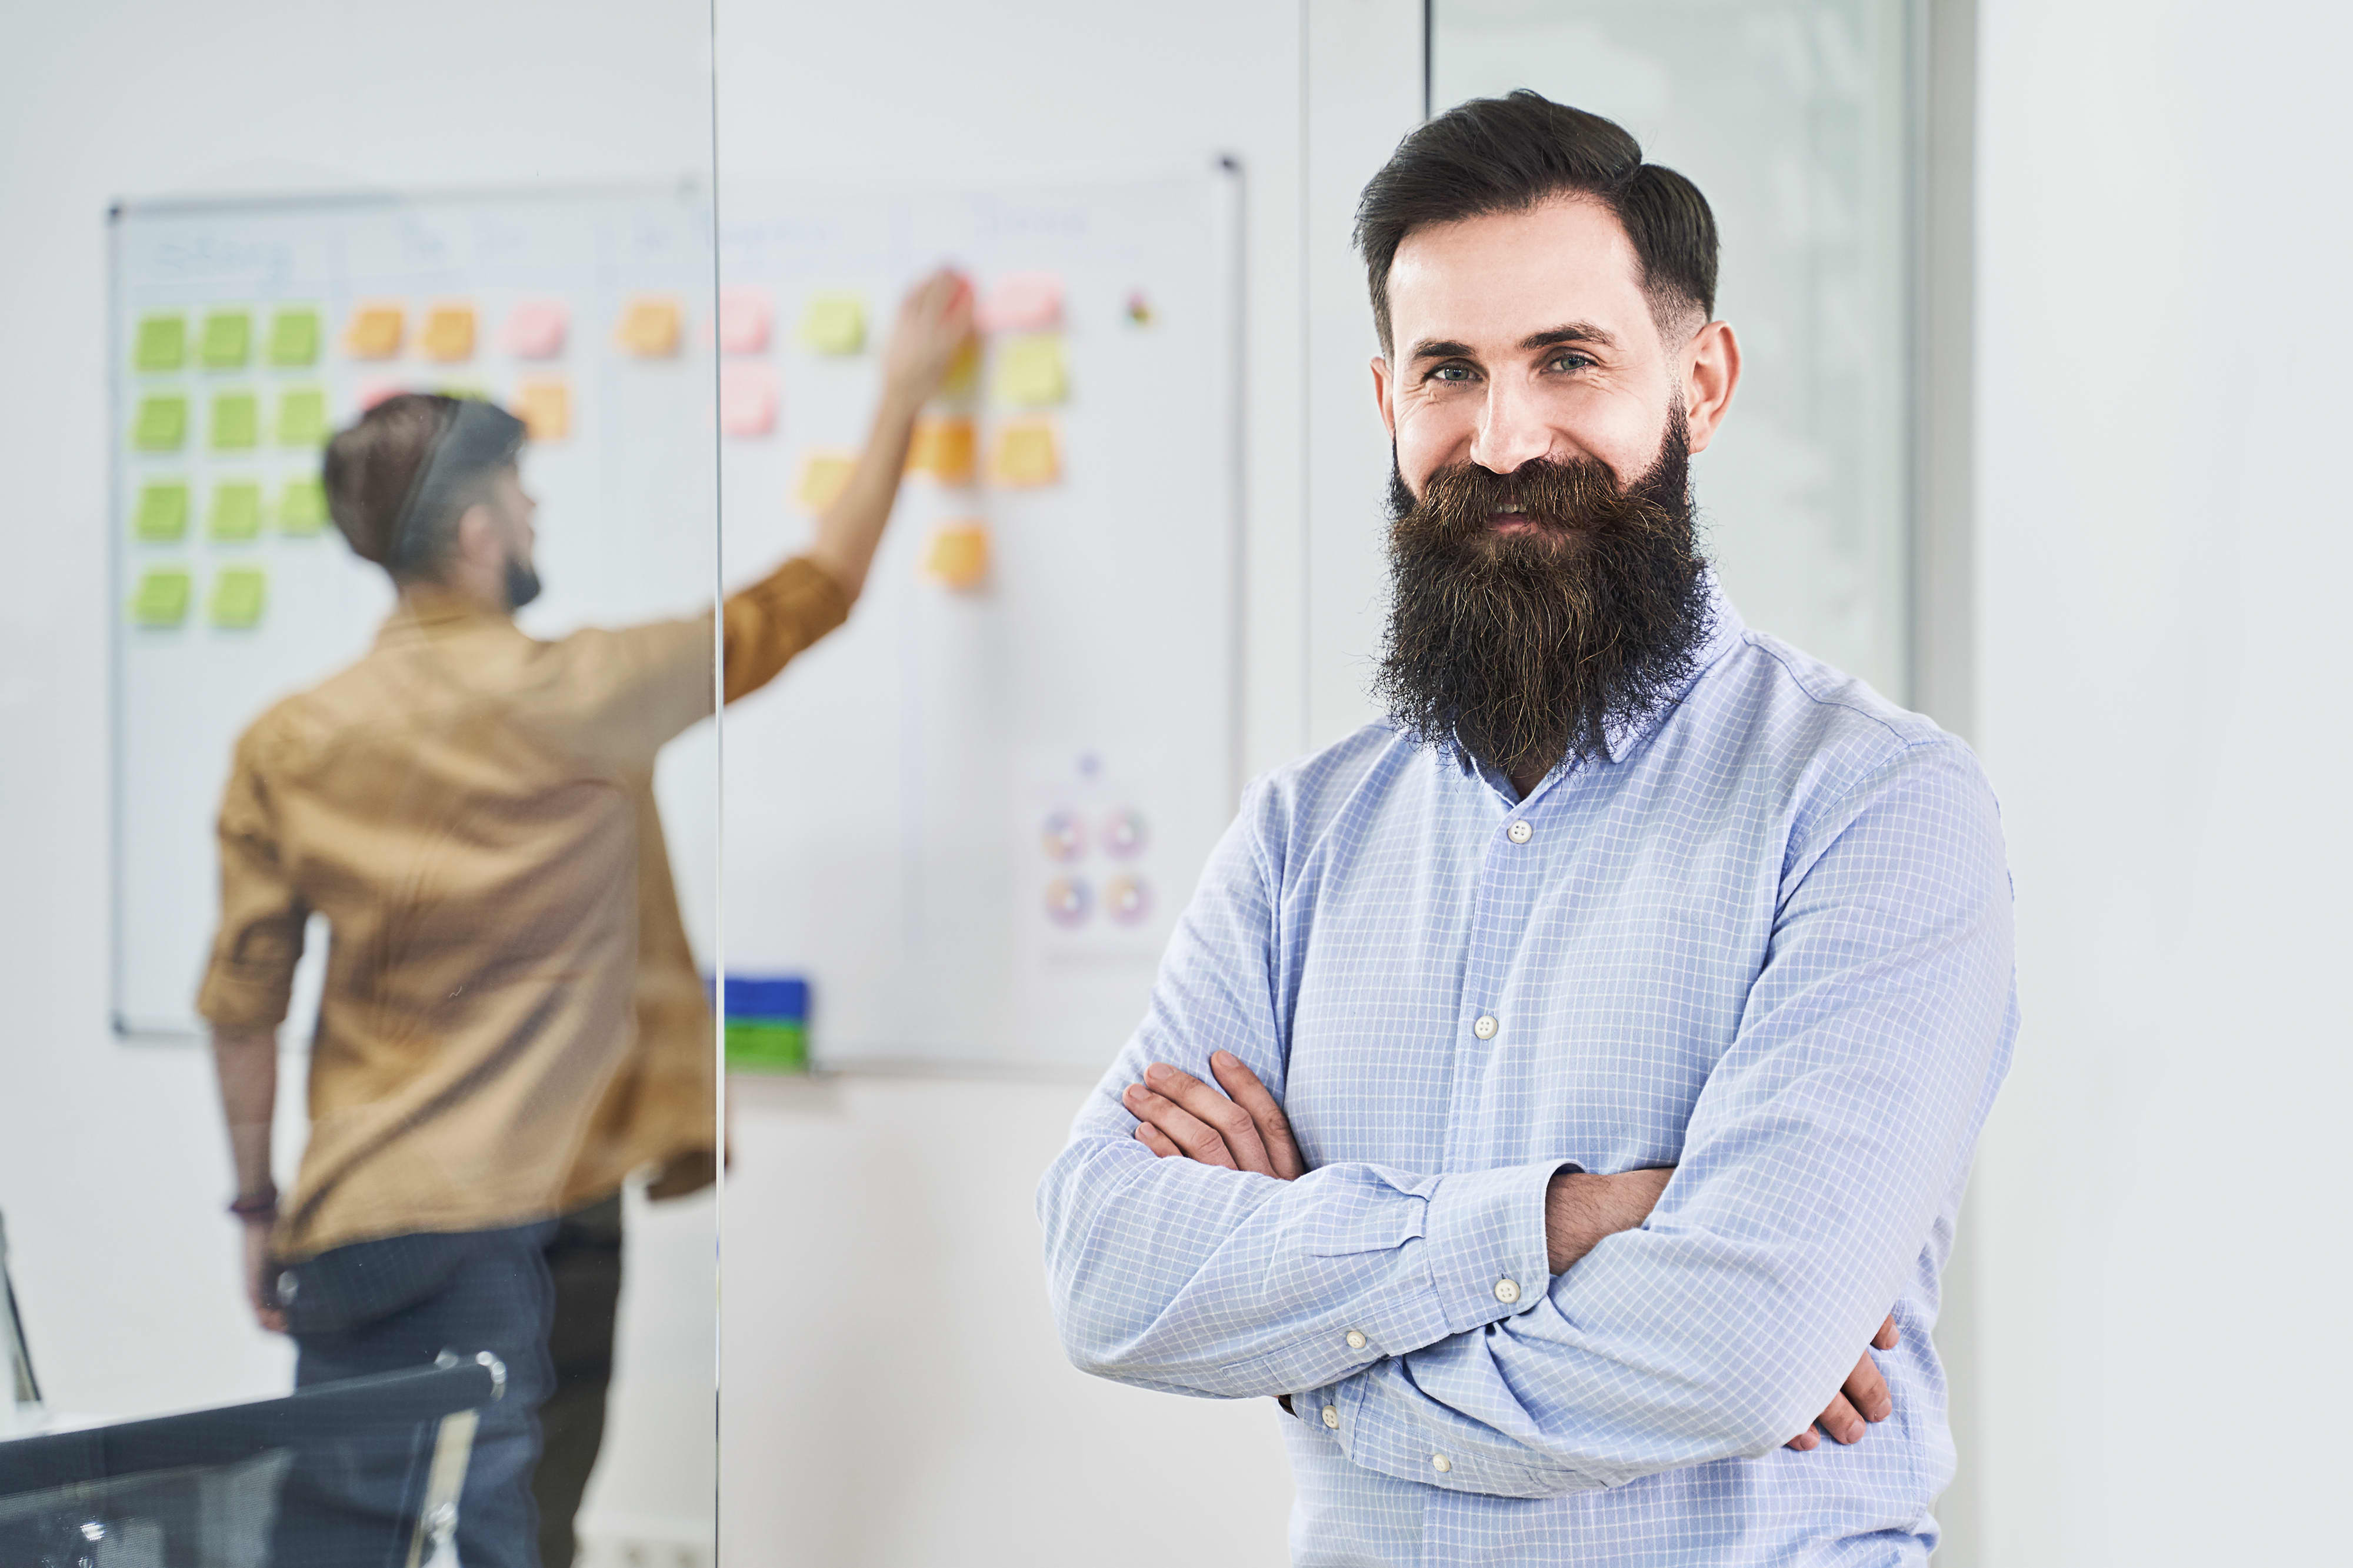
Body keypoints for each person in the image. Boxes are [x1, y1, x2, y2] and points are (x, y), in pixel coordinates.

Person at [1036, 92, 2014, 1566]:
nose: (1501, 440)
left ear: (1698, 384)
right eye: (1448, 371)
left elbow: (1739, 1350)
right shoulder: (1302, 837)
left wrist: (1314, 1355)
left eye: (1567, 360)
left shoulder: (1873, 806)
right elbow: (1105, 1267)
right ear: (1387, 403)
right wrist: (1560, 1225)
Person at [201, 270, 974, 1567]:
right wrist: (901, 390)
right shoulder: (590, 689)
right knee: (519, 1541)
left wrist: (253, 1206)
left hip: (360, 1219)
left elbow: (242, 1005)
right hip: (538, 1216)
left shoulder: (288, 739)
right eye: (520, 492)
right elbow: (816, 589)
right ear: (475, 532)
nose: (534, 510)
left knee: (333, 1546)